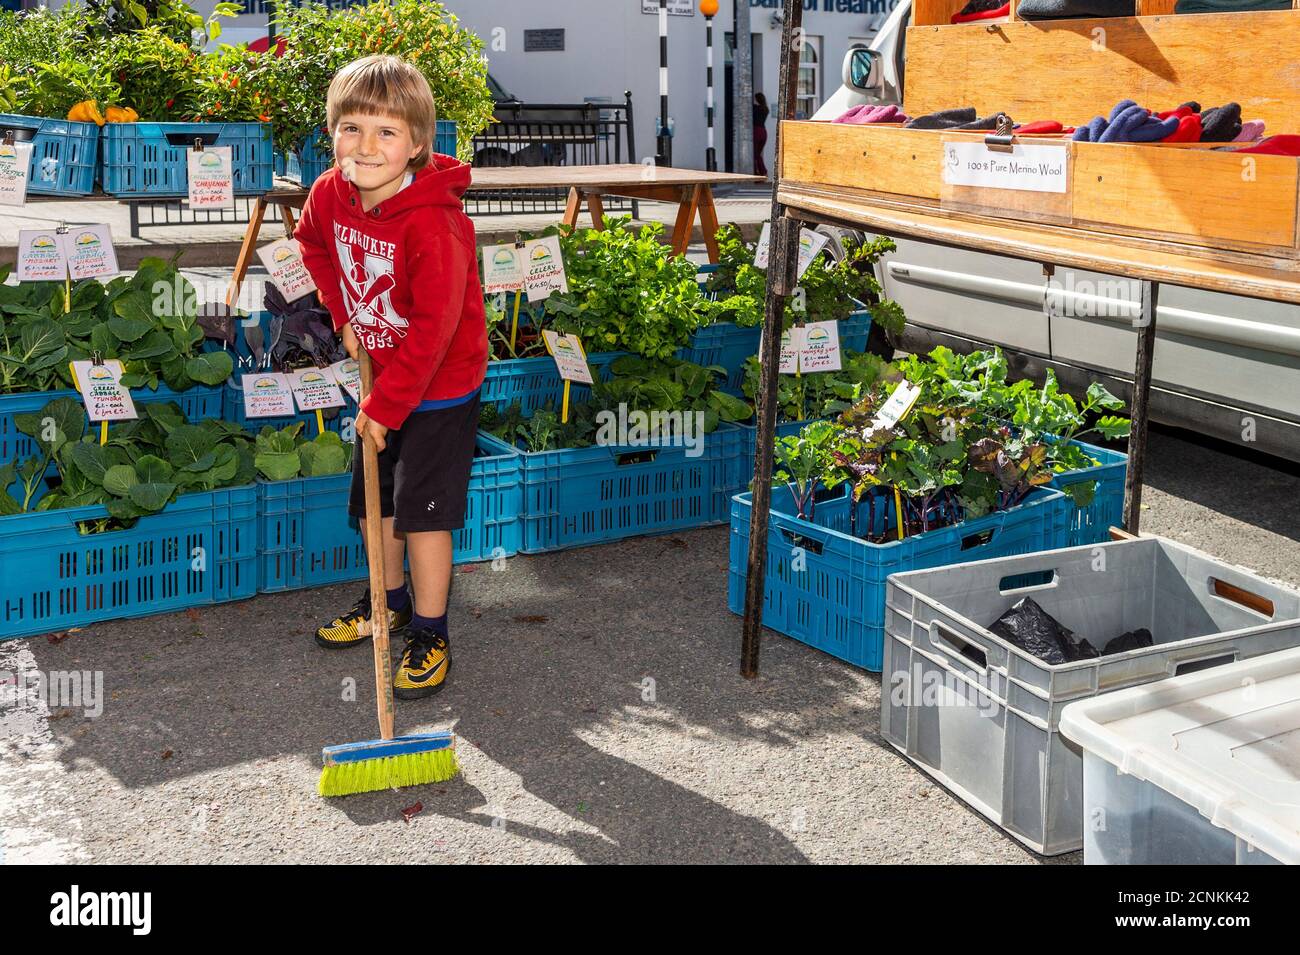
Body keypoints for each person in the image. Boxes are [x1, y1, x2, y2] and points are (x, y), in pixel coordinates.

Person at [294, 55, 488, 699]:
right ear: (333, 135)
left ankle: (431, 629)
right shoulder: (330, 193)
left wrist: (387, 405)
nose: (367, 146)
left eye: (386, 132)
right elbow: (312, 242)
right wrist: (343, 311)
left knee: (423, 514)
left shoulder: (436, 224)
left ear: (416, 144)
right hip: (381, 375)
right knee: (376, 502)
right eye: (352, 128)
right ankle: (389, 602)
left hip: (438, 387)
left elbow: (433, 333)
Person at [753, 92, 770, 178]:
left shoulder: (755, 108)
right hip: (763, 132)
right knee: (757, 154)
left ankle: (758, 174)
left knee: (754, 154)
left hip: (756, 131)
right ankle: (763, 172)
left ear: (757, 100)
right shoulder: (766, 109)